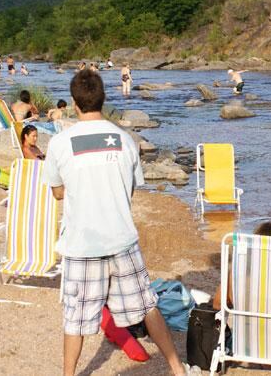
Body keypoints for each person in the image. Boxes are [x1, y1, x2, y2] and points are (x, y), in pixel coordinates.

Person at [44, 70, 184, 376]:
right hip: (121, 240)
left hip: (82, 244)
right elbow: (130, 189)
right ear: (104, 99)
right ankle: (177, 368)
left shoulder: (59, 143)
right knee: (147, 306)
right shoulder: (125, 139)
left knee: (75, 318)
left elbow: (57, 193)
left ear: (74, 103)